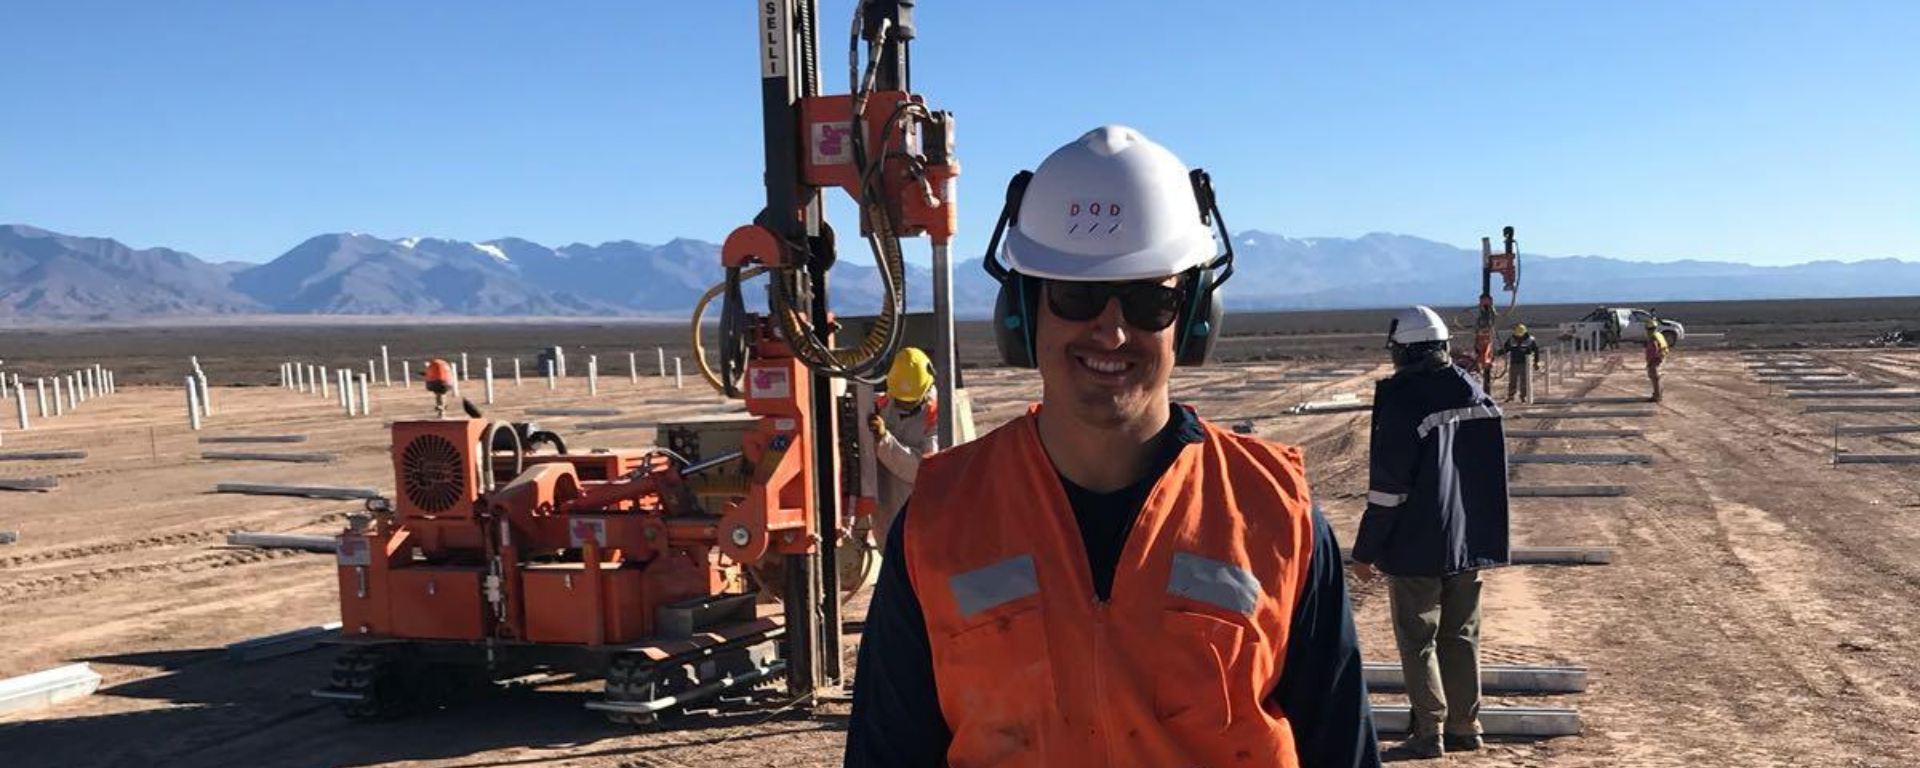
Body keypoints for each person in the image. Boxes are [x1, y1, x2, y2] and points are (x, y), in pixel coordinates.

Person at [845, 125, 1379, 767]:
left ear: (1195, 316)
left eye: (1151, 301)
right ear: (1022, 308)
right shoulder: (937, 525)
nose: (1113, 332)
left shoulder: (1275, 517)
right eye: (1077, 295)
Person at [1349, 305, 1511, 760]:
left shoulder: (1405, 400)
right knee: (1461, 635)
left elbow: (1388, 489)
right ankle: (1466, 726)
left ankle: (1429, 731)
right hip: (1470, 541)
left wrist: (1366, 552)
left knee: (1418, 638)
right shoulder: (1473, 391)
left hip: (1419, 542)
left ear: (1405, 352)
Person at [868, 346, 940, 544]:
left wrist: (884, 439)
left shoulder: (938, 417)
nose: (903, 405)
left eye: (909, 402)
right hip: (886, 516)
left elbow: (922, 470)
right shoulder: (883, 404)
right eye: (900, 400)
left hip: (920, 522)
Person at [1497, 323, 1541, 404]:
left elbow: (1536, 351)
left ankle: (1523, 397)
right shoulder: (1511, 339)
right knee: (1512, 380)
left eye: (1520, 335)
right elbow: (1505, 349)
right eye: (1518, 335)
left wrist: (1536, 362)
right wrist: (1496, 353)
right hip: (1514, 363)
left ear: (1524, 333)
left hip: (1525, 364)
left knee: (1524, 381)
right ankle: (1511, 396)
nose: (1519, 337)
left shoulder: (1531, 340)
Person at [1644, 317, 1670, 402]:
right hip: (1661, 357)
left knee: (1655, 378)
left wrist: (1651, 362)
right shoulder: (1658, 334)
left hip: (1656, 359)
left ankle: (1657, 396)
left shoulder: (1653, 337)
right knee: (1657, 377)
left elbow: (1655, 350)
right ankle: (1658, 394)